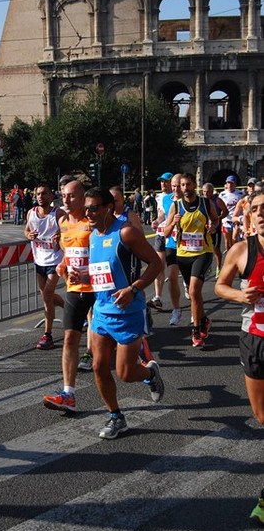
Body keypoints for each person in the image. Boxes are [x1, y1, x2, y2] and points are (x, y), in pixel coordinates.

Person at [83, 187, 164, 439]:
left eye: (93, 208)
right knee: (98, 366)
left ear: (108, 207)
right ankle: (116, 416)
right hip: (101, 311)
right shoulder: (93, 235)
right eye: (86, 208)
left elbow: (156, 263)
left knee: (126, 374)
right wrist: (82, 275)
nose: (88, 213)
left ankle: (150, 373)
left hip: (128, 312)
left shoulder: (126, 232)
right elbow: (102, 273)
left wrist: (133, 288)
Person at [215, 190, 264, 526]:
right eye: (256, 209)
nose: (261, 213)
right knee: (262, 417)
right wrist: (238, 294)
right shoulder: (242, 250)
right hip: (256, 341)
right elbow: (220, 285)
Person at [43, 180, 95, 411]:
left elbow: (106, 251)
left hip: (99, 288)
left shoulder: (92, 222)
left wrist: (88, 271)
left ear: (83, 198)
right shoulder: (62, 222)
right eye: (63, 195)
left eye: (71, 196)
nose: (65, 200)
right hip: (75, 289)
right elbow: (68, 252)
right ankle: (68, 394)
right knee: (70, 339)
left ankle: (143, 362)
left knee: (120, 352)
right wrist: (63, 266)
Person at [165, 172, 219, 348]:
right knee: (193, 294)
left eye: (188, 184)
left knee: (194, 290)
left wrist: (212, 226)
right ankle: (203, 320)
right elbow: (165, 232)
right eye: (182, 185)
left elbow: (216, 220)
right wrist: (173, 222)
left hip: (203, 251)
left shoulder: (205, 202)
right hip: (183, 254)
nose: (185, 188)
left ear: (194, 185)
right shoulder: (176, 205)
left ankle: (196, 330)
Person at [25, 184, 65, 350]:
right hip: (39, 260)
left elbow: (69, 231)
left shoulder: (58, 213)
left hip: (54, 260)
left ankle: (47, 335)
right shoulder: (31, 213)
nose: (41, 196)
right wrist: (29, 235)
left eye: (44, 194)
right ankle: (71, 308)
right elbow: (26, 230)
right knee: (46, 297)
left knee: (47, 295)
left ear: (51, 196)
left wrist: (61, 235)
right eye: (38, 194)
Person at [148, 172, 174, 310]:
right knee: (159, 265)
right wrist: (156, 221)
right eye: (161, 181)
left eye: (166, 181)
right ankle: (158, 297)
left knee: (175, 267)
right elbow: (161, 214)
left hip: (174, 235)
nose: (163, 184)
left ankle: (188, 285)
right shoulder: (159, 197)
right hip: (161, 234)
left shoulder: (177, 197)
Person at [161, 174, 183, 326]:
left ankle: (197, 315)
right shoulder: (166, 199)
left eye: (178, 186)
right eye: (173, 186)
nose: (175, 189)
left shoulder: (195, 200)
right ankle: (176, 309)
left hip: (190, 246)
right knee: (173, 276)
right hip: (172, 244)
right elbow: (164, 218)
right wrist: (158, 221)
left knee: (191, 283)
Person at [202, 182, 229, 279]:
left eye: (208, 192)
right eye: (204, 192)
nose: (206, 194)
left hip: (216, 227)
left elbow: (226, 211)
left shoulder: (217, 200)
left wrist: (218, 218)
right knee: (205, 248)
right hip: (205, 228)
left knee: (216, 248)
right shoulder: (201, 201)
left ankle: (218, 267)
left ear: (212, 191)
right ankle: (207, 267)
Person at [219, 175, 245, 252]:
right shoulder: (222, 194)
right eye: (228, 183)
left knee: (234, 240)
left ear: (235, 184)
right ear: (226, 184)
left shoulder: (240, 193)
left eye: (232, 183)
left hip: (236, 220)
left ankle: (235, 256)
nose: (230, 185)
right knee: (227, 242)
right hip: (226, 220)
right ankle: (228, 255)